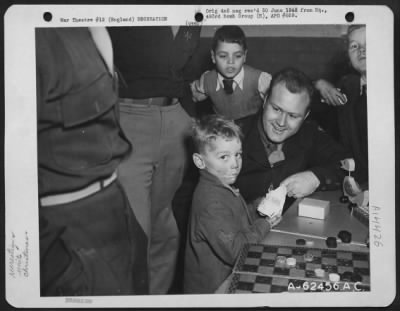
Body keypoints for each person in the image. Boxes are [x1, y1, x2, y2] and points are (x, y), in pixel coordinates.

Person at [37, 27, 148, 295]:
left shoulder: (87, 24)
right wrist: (55, 265)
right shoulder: (35, 33)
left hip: (115, 213)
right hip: (68, 235)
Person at [108, 26, 201, 294]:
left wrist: (187, 116)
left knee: (164, 228)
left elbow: (182, 73)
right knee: (135, 232)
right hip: (130, 115)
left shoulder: (193, 15)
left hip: (175, 118)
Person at [183, 115, 281, 294]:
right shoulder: (211, 202)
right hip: (213, 292)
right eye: (224, 157)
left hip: (227, 279)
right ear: (200, 161)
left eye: (238, 155)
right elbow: (237, 250)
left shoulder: (220, 185)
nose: (235, 164)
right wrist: (264, 224)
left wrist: (256, 207)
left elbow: (236, 218)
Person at [235, 67, 350, 203]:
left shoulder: (310, 134)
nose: (281, 122)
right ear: (265, 101)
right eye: (276, 109)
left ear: (306, 116)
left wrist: (315, 178)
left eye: (293, 116)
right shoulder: (233, 134)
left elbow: (350, 165)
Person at [314, 25, 368, 184]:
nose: (362, 50)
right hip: (359, 183)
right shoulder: (348, 85)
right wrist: (319, 84)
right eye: (354, 46)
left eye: (369, 43)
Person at [190, 25, 272, 125]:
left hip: (252, 126)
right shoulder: (207, 79)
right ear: (213, 57)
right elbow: (196, 96)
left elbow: (275, 103)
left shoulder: (259, 79)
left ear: (245, 56)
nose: (230, 61)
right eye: (223, 56)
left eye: (237, 56)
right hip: (223, 128)